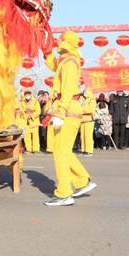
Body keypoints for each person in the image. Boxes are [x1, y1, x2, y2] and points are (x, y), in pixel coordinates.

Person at [44, 31, 96, 207]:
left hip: (67, 110)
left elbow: (67, 90)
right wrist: (46, 51)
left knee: (60, 152)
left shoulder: (70, 63)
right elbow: (53, 65)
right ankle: (82, 181)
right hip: (67, 108)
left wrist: (60, 112)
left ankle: (64, 193)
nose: (58, 42)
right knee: (64, 151)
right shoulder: (66, 61)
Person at [79, 88, 97, 155]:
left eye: (86, 91)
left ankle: (89, 150)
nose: (84, 93)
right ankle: (83, 150)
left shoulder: (92, 100)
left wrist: (81, 111)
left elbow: (90, 110)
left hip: (89, 119)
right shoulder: (85, 100)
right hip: (83, 119)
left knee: (88, 136)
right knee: (82, 136)